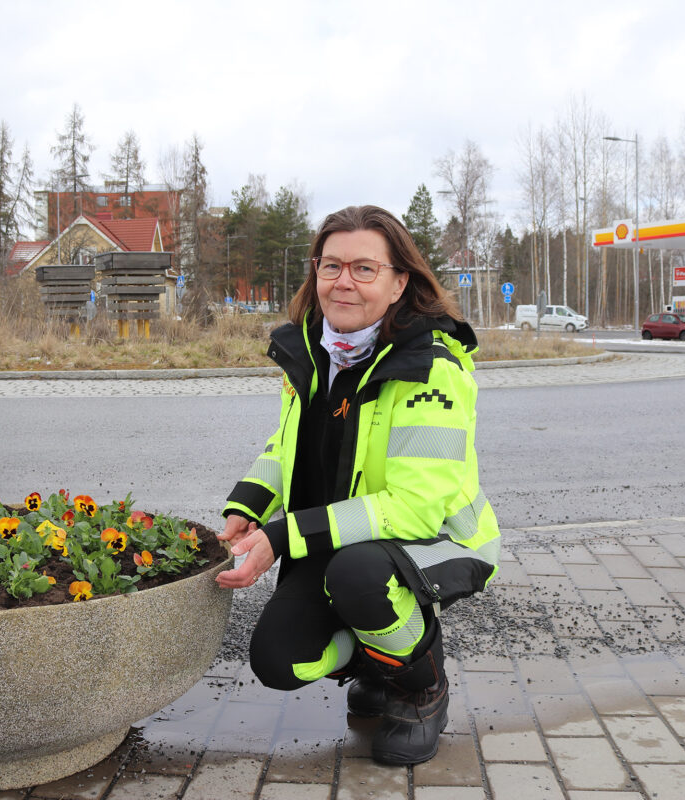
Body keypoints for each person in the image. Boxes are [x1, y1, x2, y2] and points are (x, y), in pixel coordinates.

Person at [215, 205, 500, 765]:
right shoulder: (311, 352)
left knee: (360, 576)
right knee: (279, 661)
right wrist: (247, 505)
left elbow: (416, 509)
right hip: (337, 537)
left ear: (399, 283)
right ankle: (381, 656)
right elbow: (286, 448)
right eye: (331, 265)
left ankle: (421, 686)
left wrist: (284, 535)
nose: (343, 281)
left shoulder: (430, 368)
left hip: (435, 542)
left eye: (365, 269)